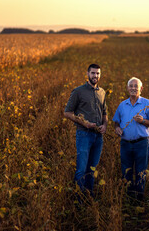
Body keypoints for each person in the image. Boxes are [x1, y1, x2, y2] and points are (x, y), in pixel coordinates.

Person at [64, 63, 107, 197]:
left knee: (92, 169)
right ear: (87, 74)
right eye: (93, 73)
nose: (95, 76)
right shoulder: (78, 91)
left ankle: (89, 196)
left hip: (98, 137)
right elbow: (67, 112)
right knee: (81, 169)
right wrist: (85, 123)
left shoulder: (102, 92)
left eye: (98, 73)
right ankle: (79, 200)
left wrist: (105, 125)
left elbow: (105, 112)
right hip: (84, 135)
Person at [113, 77, 149, 200]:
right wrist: (117, 128)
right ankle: (128, 198)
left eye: (136, 86)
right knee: (126, 171)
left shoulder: (147, 104)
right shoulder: (122, 105)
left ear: (141, 89)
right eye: (131, 86)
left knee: (141, 172)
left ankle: (139, 198)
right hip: (125, 143)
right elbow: (116, 121)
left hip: (141, 144)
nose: (133, 88)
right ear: (127, 88)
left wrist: (143, 121)